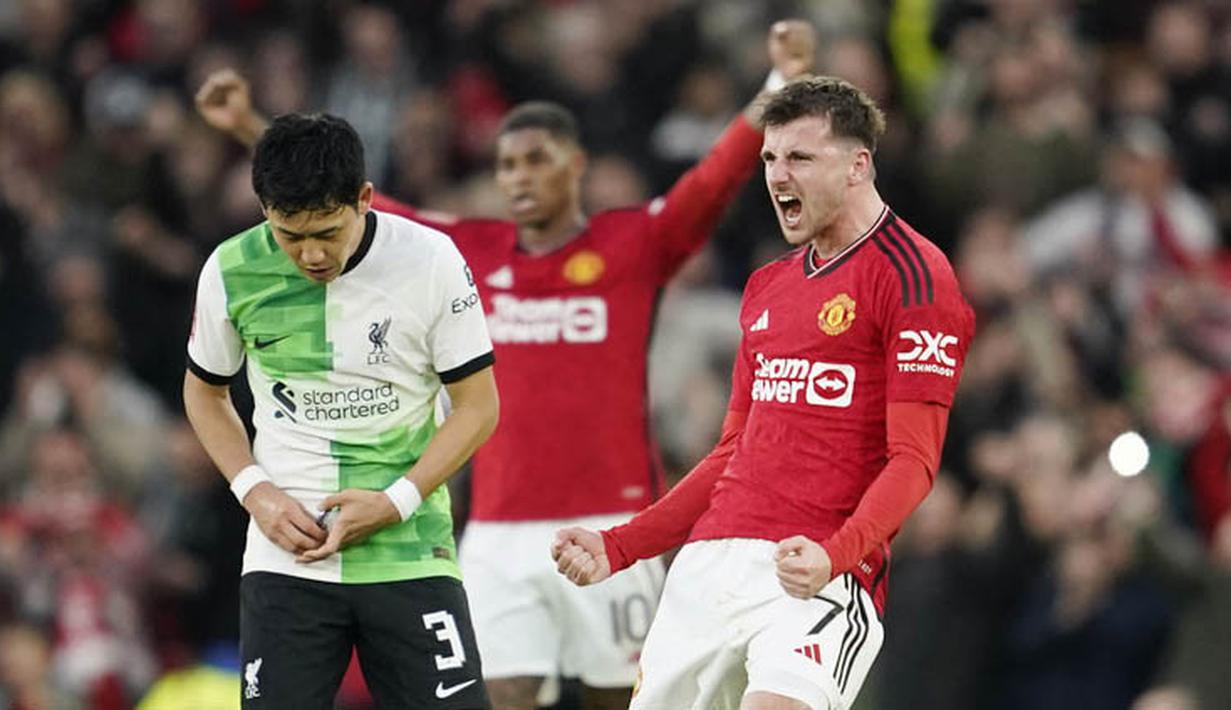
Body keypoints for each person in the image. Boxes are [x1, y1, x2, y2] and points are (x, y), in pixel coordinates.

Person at [194, 20, 816, 710]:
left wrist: (778, 83)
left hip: (609, 516)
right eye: (507, 165)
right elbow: (339, 210)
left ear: (576, 164)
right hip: (494, 528)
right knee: (507, 692)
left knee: (622, 698)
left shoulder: (631, 245)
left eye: (537, 160)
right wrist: (251, 123)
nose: (518, 178)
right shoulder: (468, 251)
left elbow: (713, 179)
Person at [552, 77, 977, 710]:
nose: (779, 176)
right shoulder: (767, 288)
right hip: (706, 568)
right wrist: (621, 545)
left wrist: (836, 556)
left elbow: (913, 460)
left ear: (859, 165)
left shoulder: (914, 274)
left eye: (800, 157)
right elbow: (732, 453)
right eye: (770, 159)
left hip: (812, 571)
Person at [182, 113, 498, 708]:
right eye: (288, 233)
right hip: (287, 558)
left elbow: (478, 406)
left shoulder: (430, 260)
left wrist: (394, 502)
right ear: (264, 210)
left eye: (327, 231)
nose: (310, 254)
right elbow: (204, 391)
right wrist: (257, 492)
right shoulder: (231, 269)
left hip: (410, 549)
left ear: (364, 199)